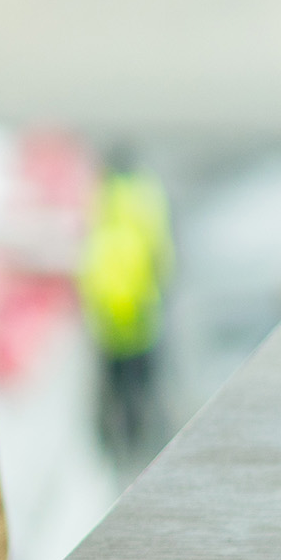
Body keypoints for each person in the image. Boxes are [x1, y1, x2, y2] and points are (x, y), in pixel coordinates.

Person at [78, 147, 174, 464]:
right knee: (142, 380)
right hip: (140, 303)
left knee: (116, 383)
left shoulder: (101, 195)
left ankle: (118, 440)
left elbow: (88, 250)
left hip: (110, 307)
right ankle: (144, 438)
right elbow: (159, 245)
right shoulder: (145, 194)